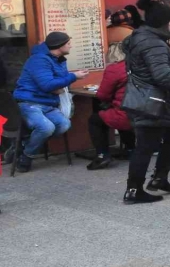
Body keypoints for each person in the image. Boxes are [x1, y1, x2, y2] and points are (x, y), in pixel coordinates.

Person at [122, 1, 170, 204]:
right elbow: (162, 76)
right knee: (145, 146)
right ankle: (134, 190)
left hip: (156, 100)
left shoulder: (143, 37)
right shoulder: (152, 43)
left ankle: (159, 179)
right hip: (153, 102)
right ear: (162, 22)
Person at [13, 32, 89, 172]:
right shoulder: (39, 60)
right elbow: (47, 85)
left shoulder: (59, 59)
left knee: (64, 124)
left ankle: (25, 144)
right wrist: (73, 76)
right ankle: (26, 156)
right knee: (46, 128)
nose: (70, 45)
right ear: (59, 46)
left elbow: (57, 82)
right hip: (30, 101)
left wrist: (65, 81)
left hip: (48, 102)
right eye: (68, 43)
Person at [87, 42, 135, 170]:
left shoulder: (114, 69)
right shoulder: (139, 65)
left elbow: (103, 95)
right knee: (116, 114)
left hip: (126, 113)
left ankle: (102, 154)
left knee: (95, 120)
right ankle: (131, 149)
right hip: (145, 110)